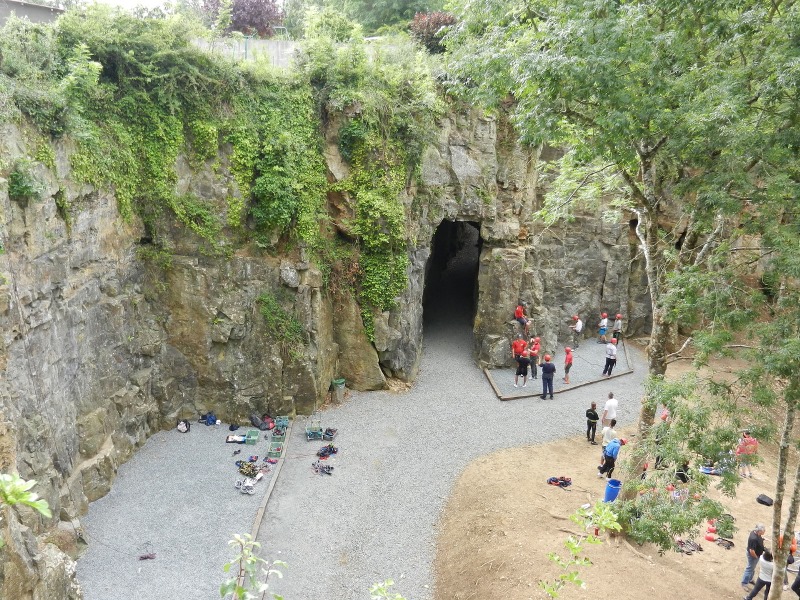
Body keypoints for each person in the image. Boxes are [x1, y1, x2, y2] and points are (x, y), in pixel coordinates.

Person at [742, 524, 766, 590]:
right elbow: (751, 551)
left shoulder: (756, 533)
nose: (764, 532)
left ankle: (750, 579)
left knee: (752, 568)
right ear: (759, 531)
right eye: (763, 531)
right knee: (749, 569)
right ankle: (744, 583)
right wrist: (756, 557)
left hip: (756, 554)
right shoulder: (753, 538)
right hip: (753, 556)